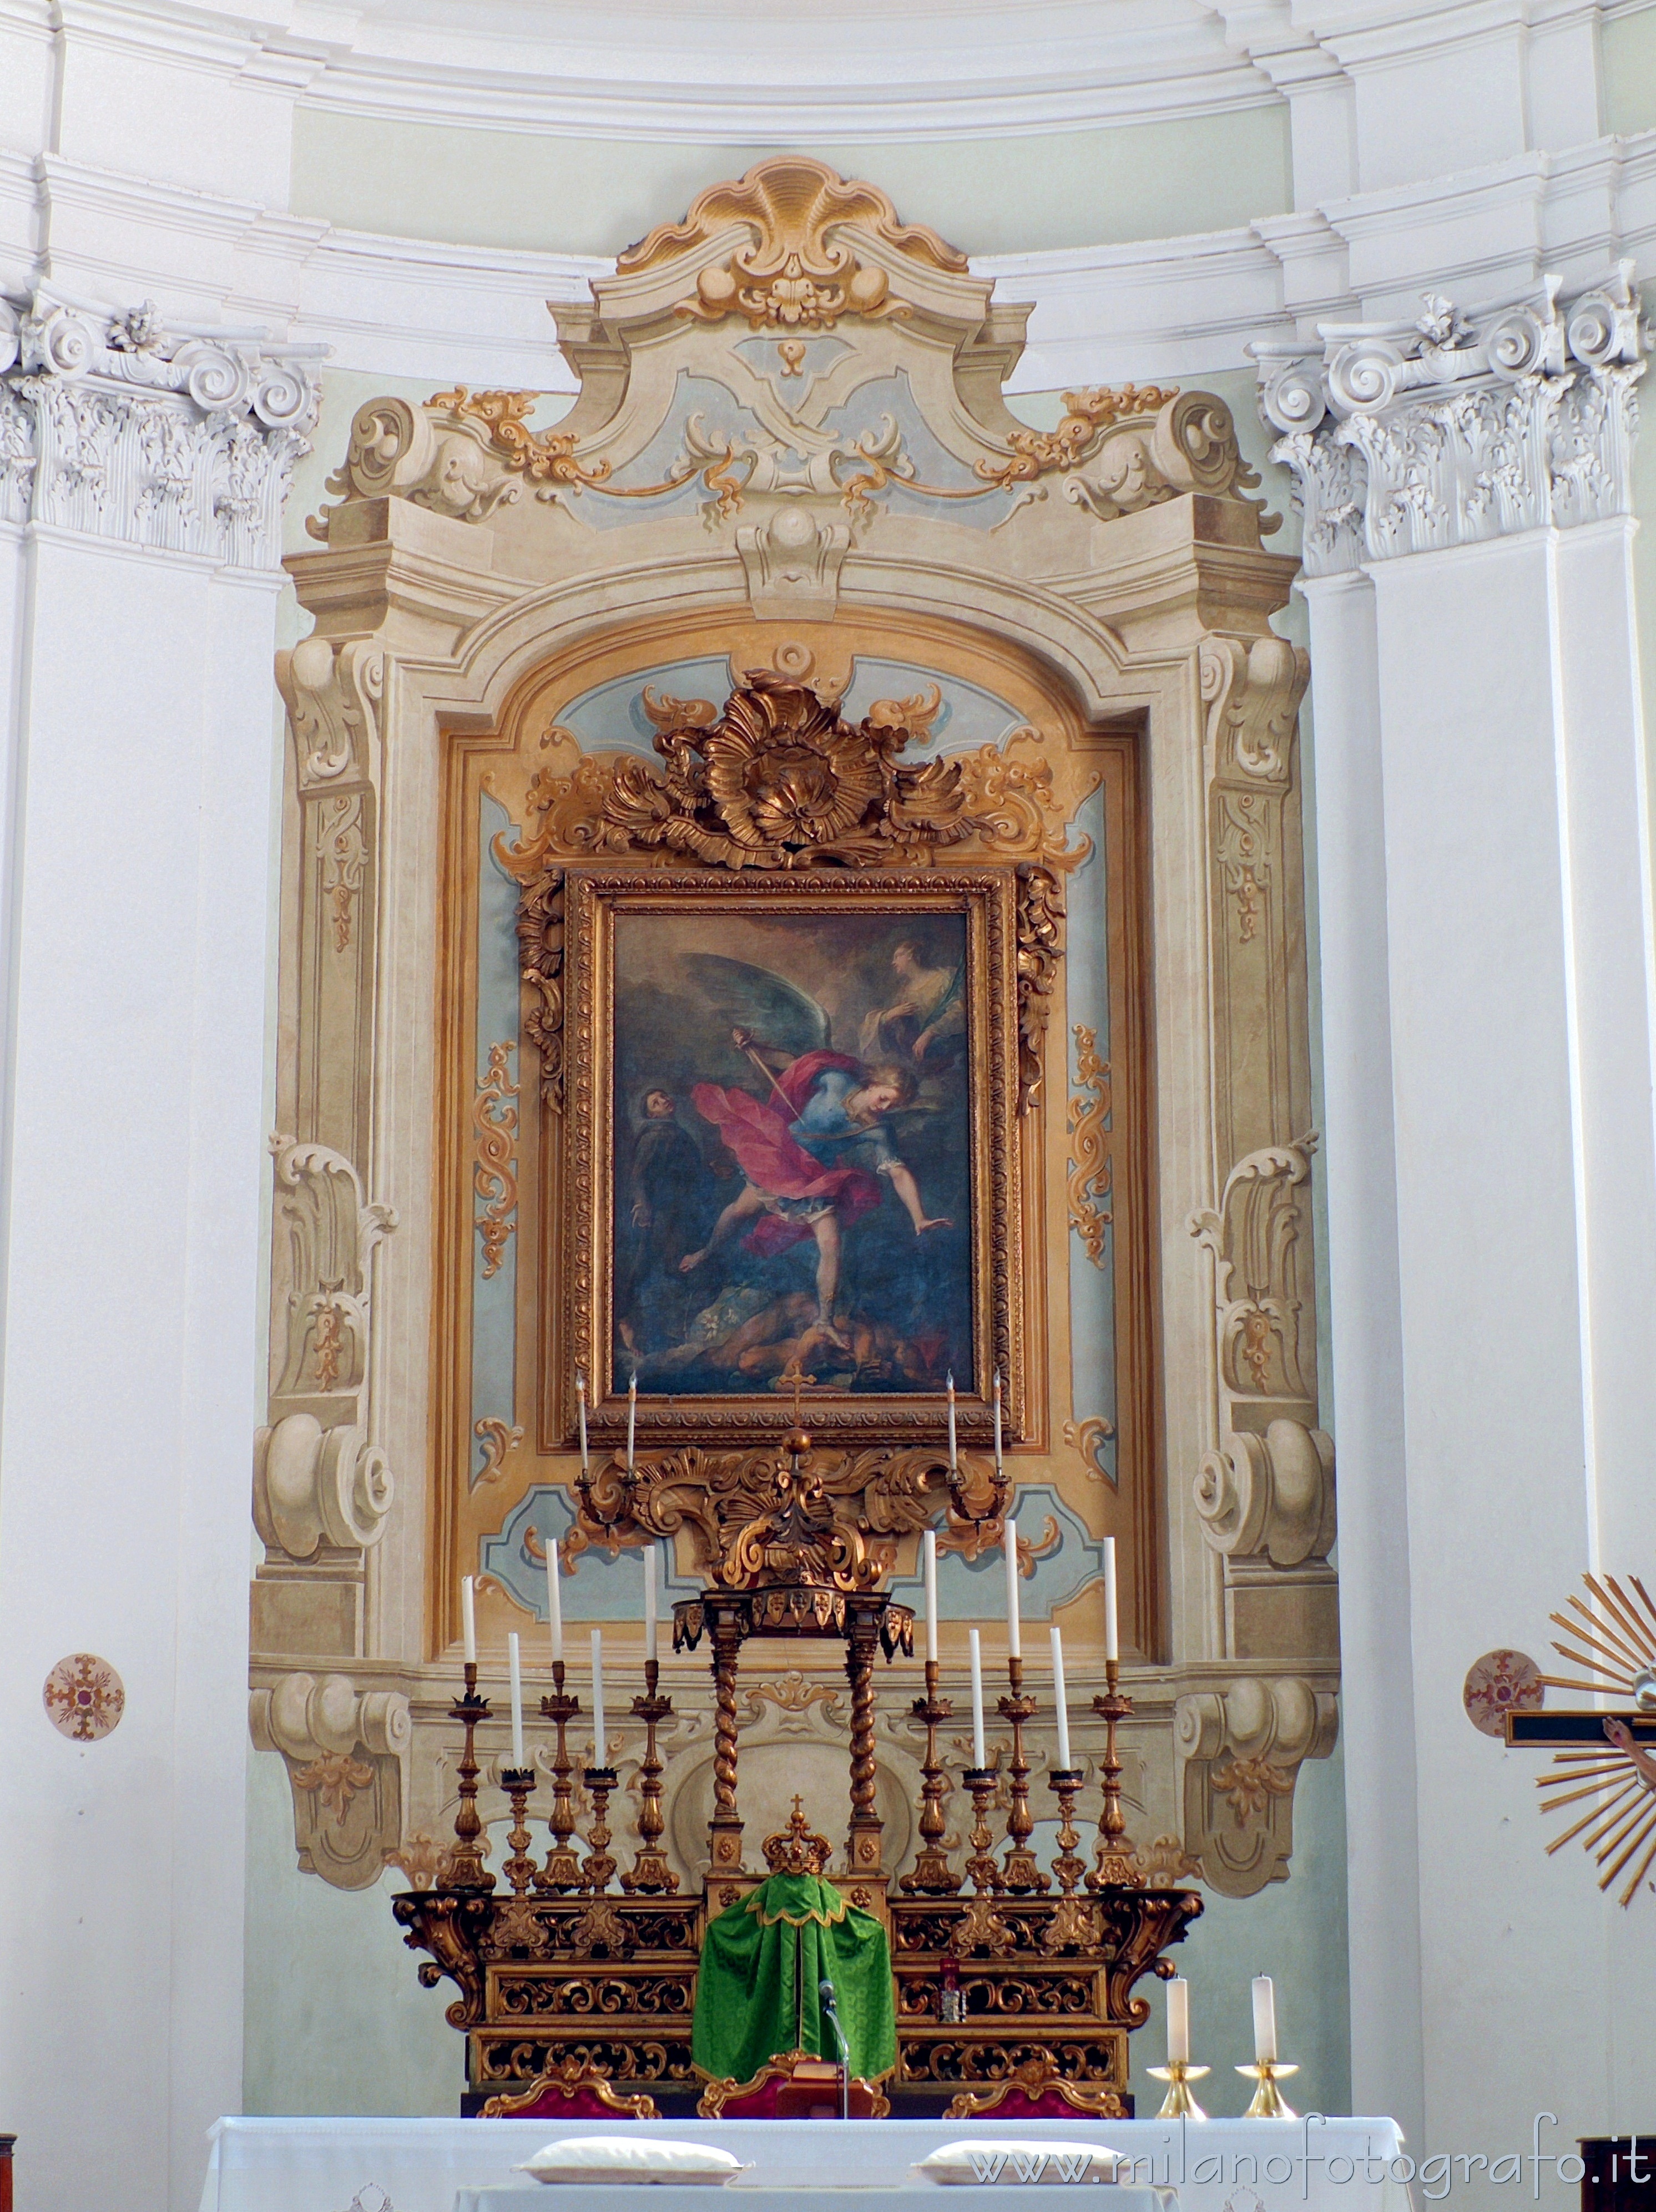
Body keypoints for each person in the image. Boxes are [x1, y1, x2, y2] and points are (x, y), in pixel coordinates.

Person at [680, 1030, 950, 1347]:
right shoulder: (837, 1082)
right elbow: (797, 1065)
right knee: (740, 1210)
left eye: (894, 1105)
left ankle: (824, 1321)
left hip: (813, 1177)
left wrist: (919, 1217)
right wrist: (755, 1047)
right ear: (873, 1084)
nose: (885, 1107)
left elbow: (899, 1173)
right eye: (884, 1098)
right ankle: (707, 1251)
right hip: (779, 1157)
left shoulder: (879, 1131)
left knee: (831, 1243)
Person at [615, 1086, 705, 1353]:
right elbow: (639, 1175)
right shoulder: (655, 1135)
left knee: (675, 1265)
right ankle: (625, 1320)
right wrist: (642, 1205)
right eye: (656, 1101)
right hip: (662, 1214)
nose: (664, 1100)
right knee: (649, 1265)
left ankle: (672, 1327)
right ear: (651, 1114)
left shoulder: (677, 1133)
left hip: (682, 1213)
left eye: (664, 1096)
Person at [859, 937, 965, 1065]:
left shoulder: (945, 977)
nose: (894, 962)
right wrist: (888, 1016)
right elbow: (896, 1031)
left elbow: (960, 1011)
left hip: (949, 1050)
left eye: (897, 956)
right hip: (917, 1056)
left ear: (910, 955)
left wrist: (930, 1033)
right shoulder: (904, 993)